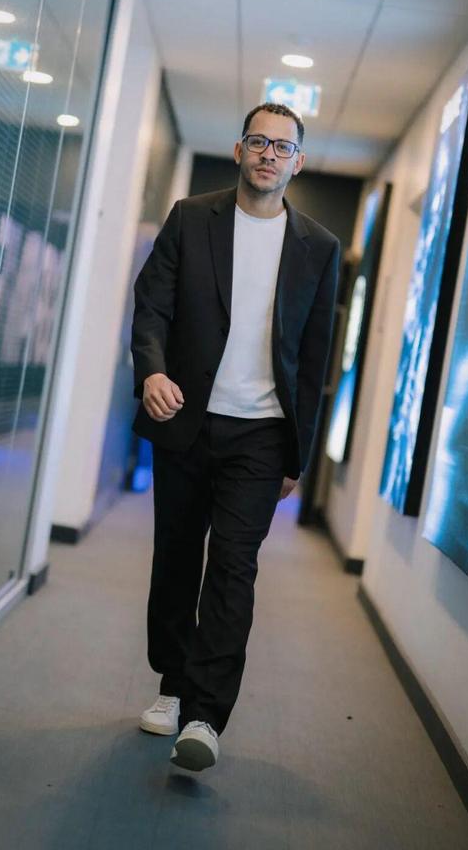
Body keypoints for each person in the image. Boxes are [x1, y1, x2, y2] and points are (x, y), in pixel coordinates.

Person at [130, 102, 339, 772]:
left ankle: (205, 715)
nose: (269, 154)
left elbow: (315, 360)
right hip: (187, 418)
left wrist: (297, 457)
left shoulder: (318, 248)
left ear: (298, 162)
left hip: (262, 434)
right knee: (176, 556)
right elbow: (152, 304)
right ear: (239, 149)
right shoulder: (192, 218)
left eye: (283, 146)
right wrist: (152, 371)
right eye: (258, 141)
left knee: (233, 566)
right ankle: (172, 683)